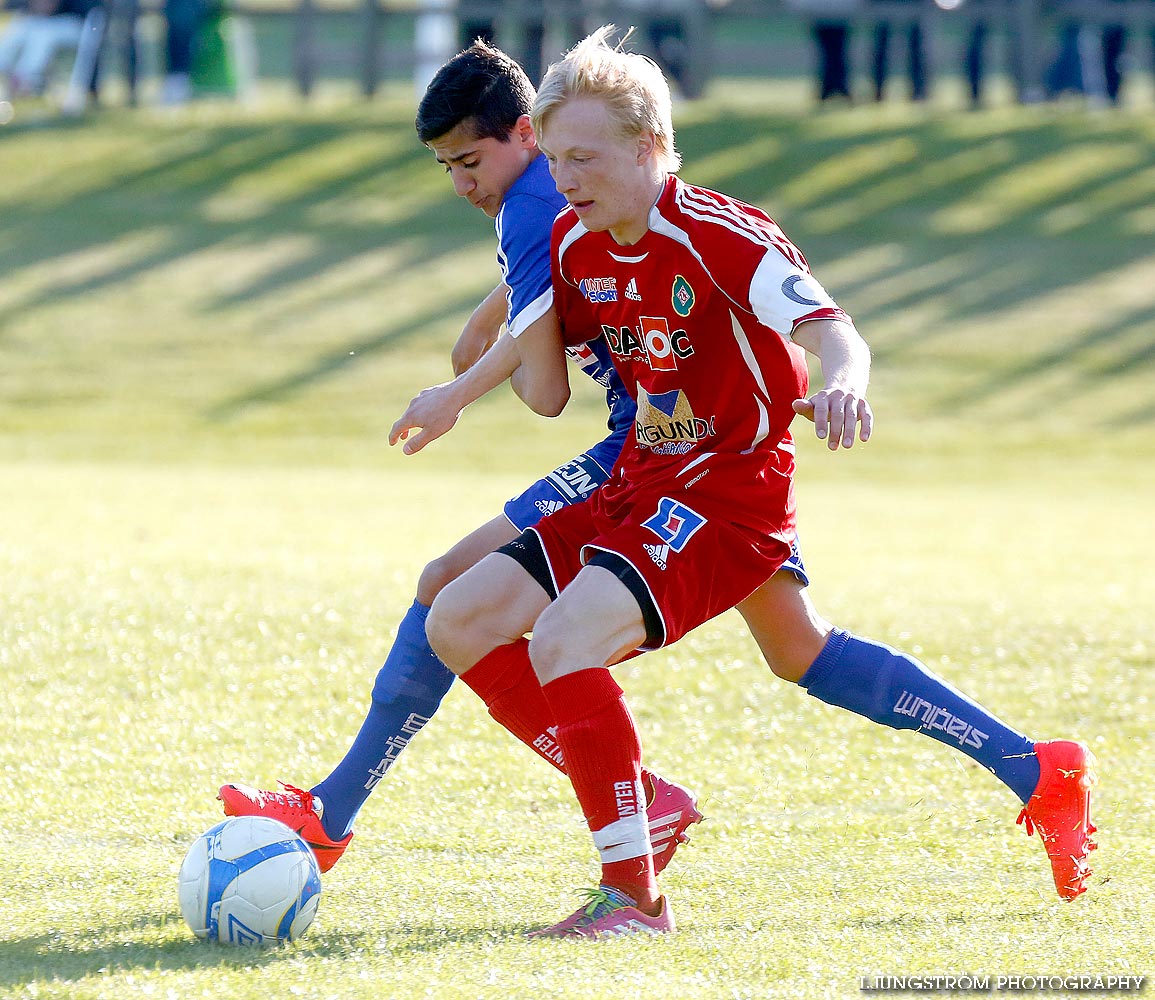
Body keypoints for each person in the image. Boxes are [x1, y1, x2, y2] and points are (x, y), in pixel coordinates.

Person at [422, 26, 1099, 939]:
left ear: (650, 147)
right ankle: (1038, 769)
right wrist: (461, 392)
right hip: (643, 484)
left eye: (585, 156)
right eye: (558, 157)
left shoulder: (718, 235)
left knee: (567, 640)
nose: (567, 177)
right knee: (464, 618)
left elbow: (832, 331)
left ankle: (632, 897)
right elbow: (531, 355)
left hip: (726, 497)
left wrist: (843, 387)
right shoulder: (578, 247)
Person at [218, 40, 705, 877]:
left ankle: (338, 811)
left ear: (525, 134)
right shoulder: (547, 193)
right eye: (445, 167)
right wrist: (495, 316)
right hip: (668, 439)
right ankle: (335, 808)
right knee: (805, 652)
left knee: (455, 595)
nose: (460, 184)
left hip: (655, 449)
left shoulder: (530, 202)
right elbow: (547, 279)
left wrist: (461, 389)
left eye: (469, 160)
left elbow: (544, 388)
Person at [0, 0, 98, 99]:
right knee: (23, 25)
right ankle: (12, 73)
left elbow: (48, 8)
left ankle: (24, 78)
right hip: (47, 21)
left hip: (81, 23)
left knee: (44, 32)